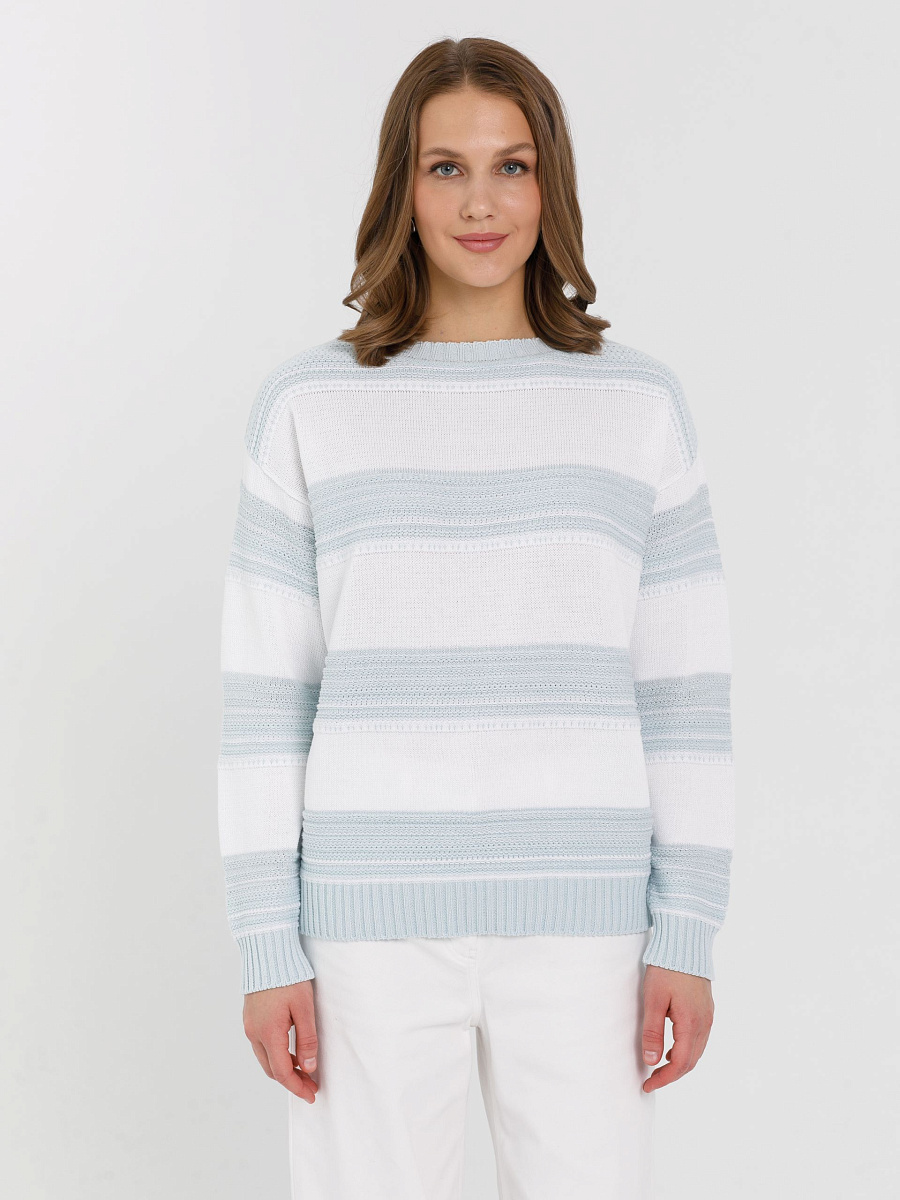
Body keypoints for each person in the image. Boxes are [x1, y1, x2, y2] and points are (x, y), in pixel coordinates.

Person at [217, 35, 734, 1200]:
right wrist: (266, 943)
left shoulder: (637, 406)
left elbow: (684, 692)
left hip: (588, 918)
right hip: (366, 922)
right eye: (445, 167)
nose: (481, 202)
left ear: (551, 184)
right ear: (400, 188)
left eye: (512, 165)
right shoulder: (310, 405)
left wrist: (686, 931)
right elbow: (266, 695)